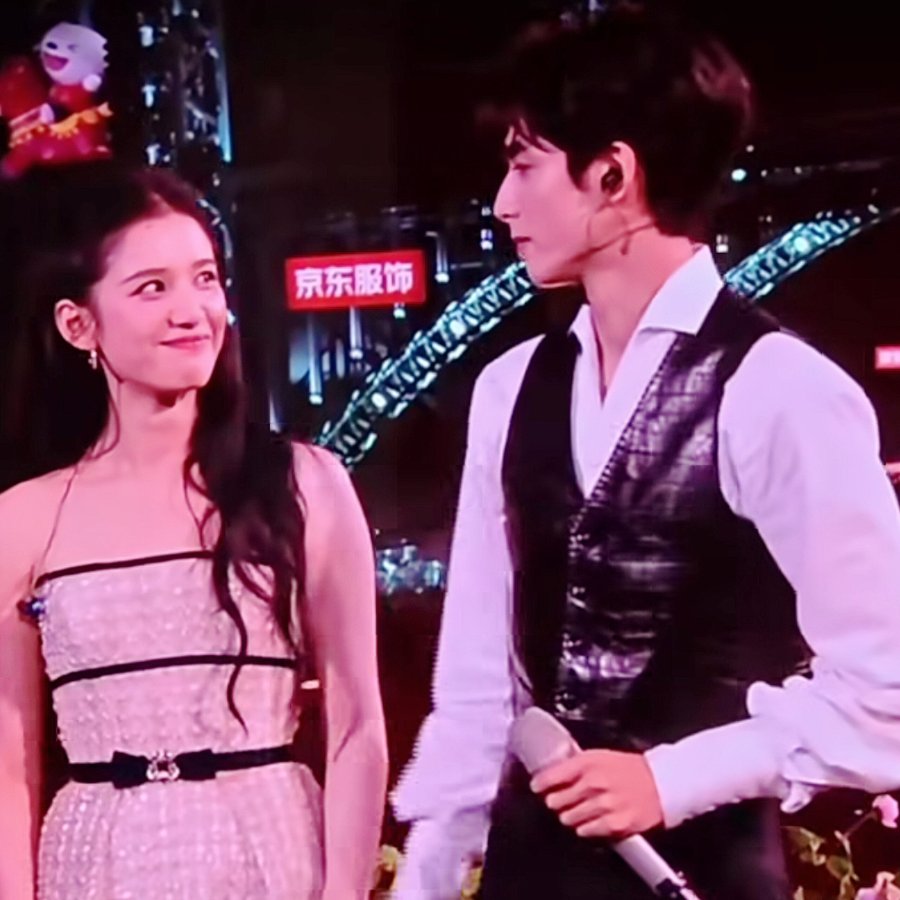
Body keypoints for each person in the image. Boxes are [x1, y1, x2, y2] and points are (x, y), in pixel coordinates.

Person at [392, 7, 900, 899]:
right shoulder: (511, 387)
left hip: (702, 873)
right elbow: (477, 688)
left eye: (524, 165)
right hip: (534, 874)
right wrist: (427, 877)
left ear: (614, 175)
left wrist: (672, 778)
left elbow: (887, 693)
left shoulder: (779, 389)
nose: (502, 203)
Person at [0, 161, 388, 900]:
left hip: (272, 850)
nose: (193, 310)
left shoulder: (303, 483)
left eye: (205, 279)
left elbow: (356, 728)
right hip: (97, 862)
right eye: (153, 288)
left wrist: (344, 892)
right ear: (78, 324)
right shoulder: (23, 520)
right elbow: (9, 768)